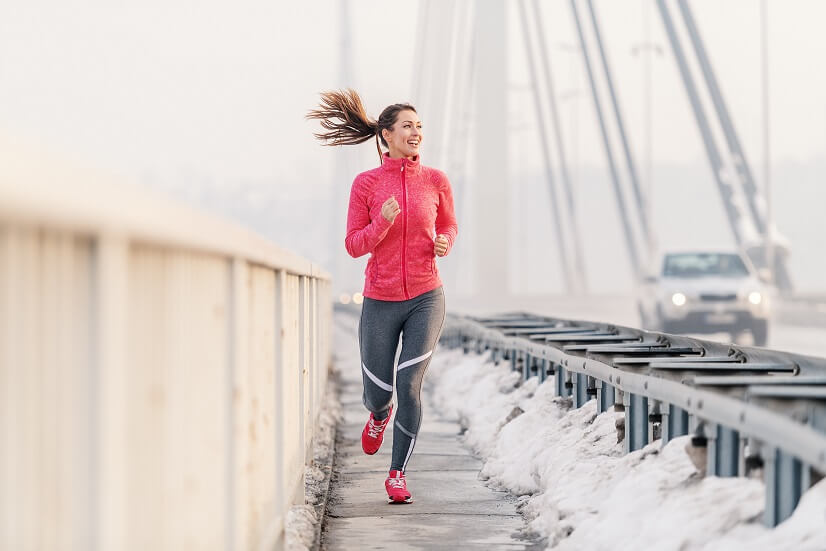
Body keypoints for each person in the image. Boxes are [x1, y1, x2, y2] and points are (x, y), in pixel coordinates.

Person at [307, 89, 458, 503]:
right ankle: (377, 415)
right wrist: (382, 224)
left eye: (420, 126)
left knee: (409, 384)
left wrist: (444, 240)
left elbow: (449, 226)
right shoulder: (367, 184)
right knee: (380, 393)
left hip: (427, 296)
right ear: (387, 136)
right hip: (380, 298)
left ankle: (396, 474)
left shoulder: (436, 181)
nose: (416, 133)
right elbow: (354, 244)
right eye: (408, 126)